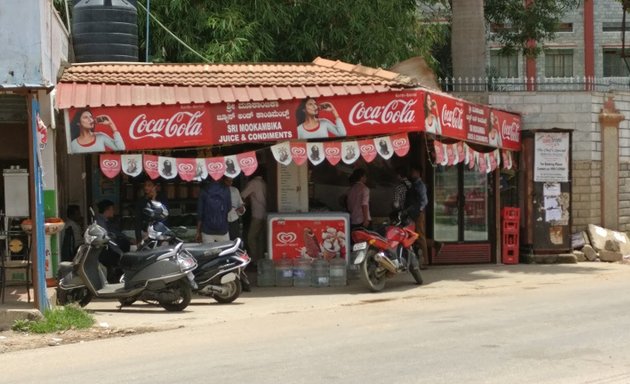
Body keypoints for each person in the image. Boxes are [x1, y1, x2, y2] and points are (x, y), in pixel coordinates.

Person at [408, 167, 442, 269]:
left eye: (413, 172)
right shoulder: (413, 184)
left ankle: (425, 261)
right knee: (414, 236)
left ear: (418, 173)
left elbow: (425, 200)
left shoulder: (420, 185)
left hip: (418, 213)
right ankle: (435, 244)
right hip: (414, 212)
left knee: (420, 236)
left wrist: (419, 210)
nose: (411, 174)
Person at [95, 199, 129, 283]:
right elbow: (108, 240)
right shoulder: (100, 222)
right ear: (107, 210)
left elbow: (114, 233)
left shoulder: (105, 221)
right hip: (103, 251)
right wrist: (120, 252)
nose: (114, 211)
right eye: (112, 209)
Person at [241, 167, 267, 263]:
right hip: (265, 214)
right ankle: (260, 260)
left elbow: (242, 195)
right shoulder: (264, 183)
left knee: (251, 238)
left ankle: (254, 260)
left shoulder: (253, 183)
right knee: (260, 238)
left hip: (257, 214)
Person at [135, 179, 168, 244]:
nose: (146, 187)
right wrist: (138, 239)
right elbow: (138, 221)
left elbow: (164, 215)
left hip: (160, 232)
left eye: (149, 185)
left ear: (155, 187)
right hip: (146, 233)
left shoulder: (162, 198)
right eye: (145, 185)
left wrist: (154, 198)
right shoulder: (141, 201)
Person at [224, 176, 246, 240]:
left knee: (235, 240)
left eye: (231, 181)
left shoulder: (235, 190)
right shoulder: (219, 191)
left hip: (234, 219)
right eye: (228, 181)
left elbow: (240, 204)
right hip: (223, 220)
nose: (230, 183)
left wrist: (242, 209)